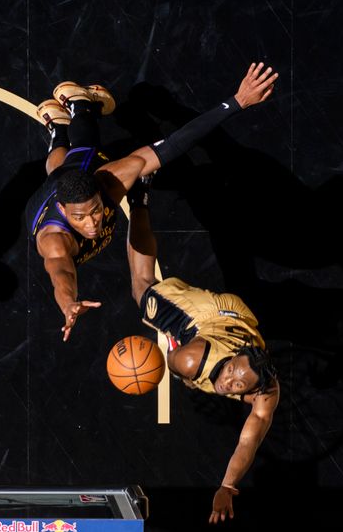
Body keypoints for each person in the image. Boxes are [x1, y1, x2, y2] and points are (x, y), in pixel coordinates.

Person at [28, 62, 278, 341]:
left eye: (96, 211)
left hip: (72, 180)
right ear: (64, 211)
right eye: (80, 217)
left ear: (100, 195)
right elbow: (61, 271)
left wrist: (236, 102)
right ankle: (75, 112)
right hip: (45, 201)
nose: (92, 223)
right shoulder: (55, 241)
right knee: (70, 160)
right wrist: (67, 303)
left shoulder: (109, 180)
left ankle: (74, 110)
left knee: (78, 157)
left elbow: (175, 143)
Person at [125, 186, 279, 524]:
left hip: (242, 320)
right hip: (203, 318)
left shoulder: (266, 390)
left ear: (252, 390)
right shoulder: (192, 362)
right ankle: (139, 199)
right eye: (232, 374)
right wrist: (172, 344)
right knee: (141, 287)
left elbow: (249, 440)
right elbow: (171, 362)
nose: (229, 383)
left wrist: (228, 486)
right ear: (235, 358)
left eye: (239, 385)